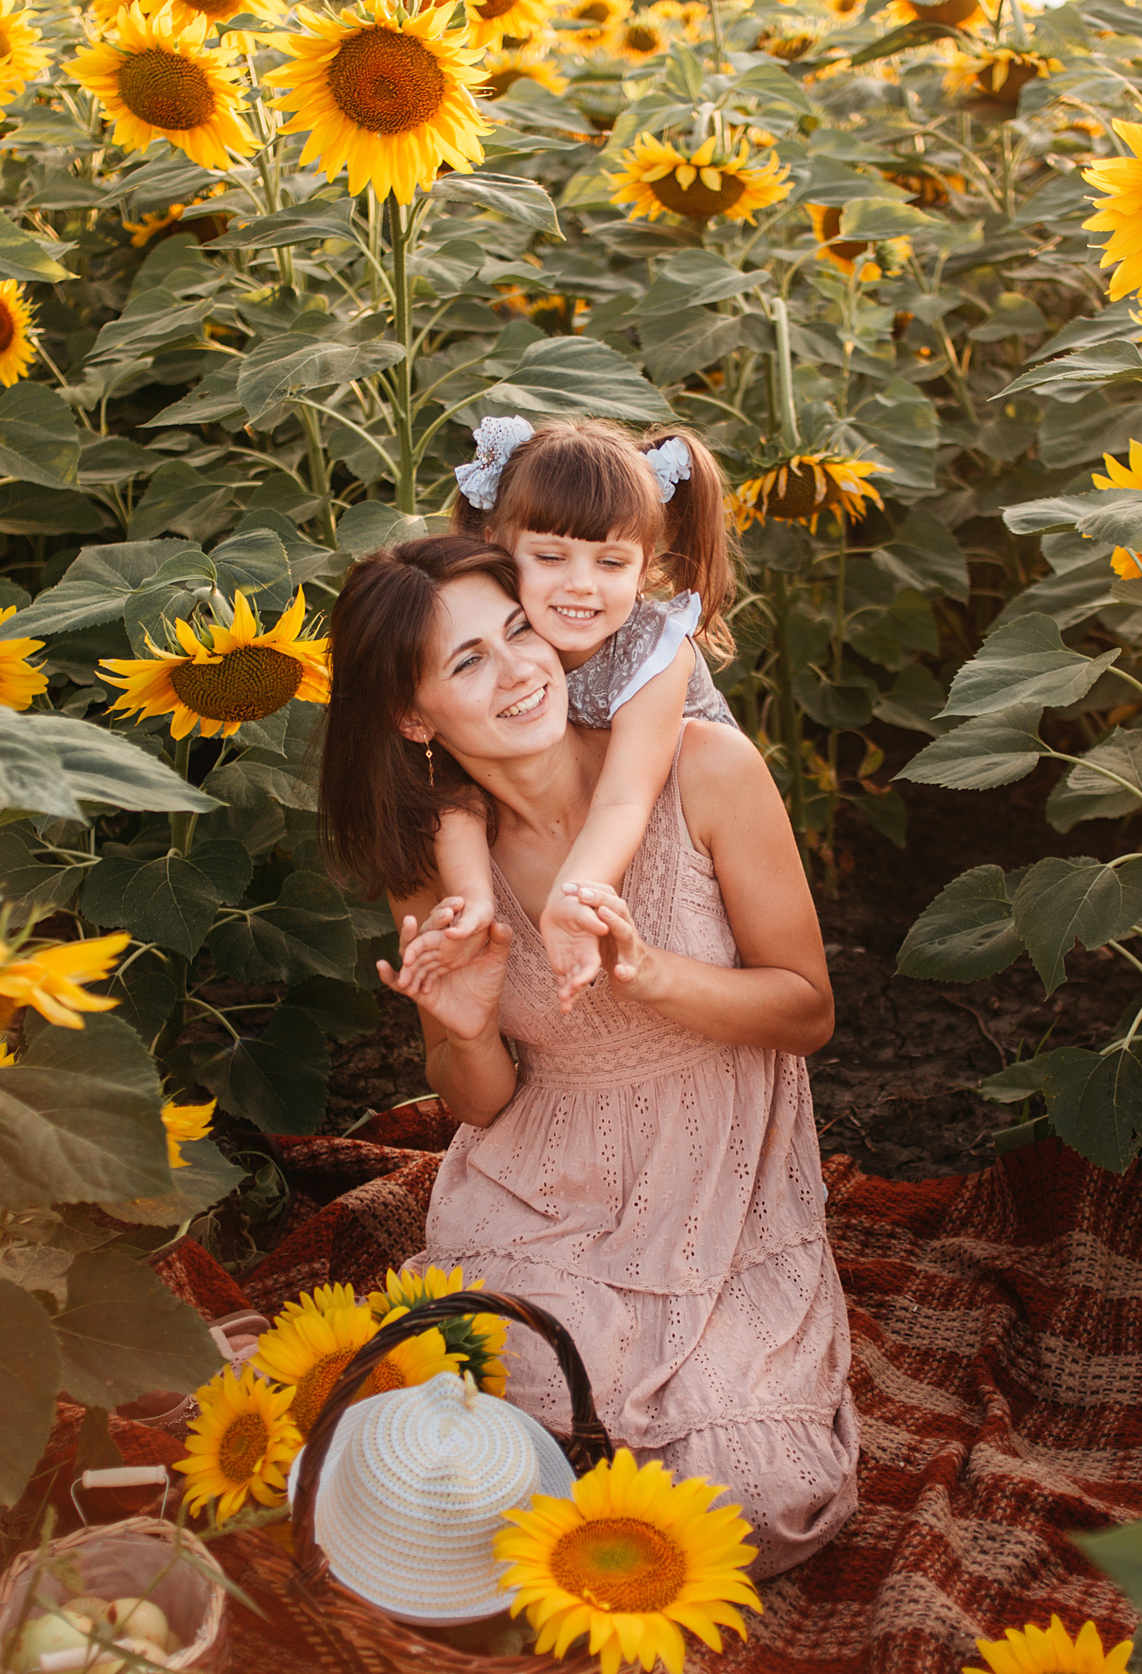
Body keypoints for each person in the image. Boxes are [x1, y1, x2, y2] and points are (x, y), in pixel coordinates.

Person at [317, 533, 858, 1580]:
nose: (518, 668)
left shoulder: (704, 770)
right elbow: (477, 1103)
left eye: (519, 629)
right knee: (458, 1473)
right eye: (468, 660)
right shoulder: (434, 862)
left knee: (756, 1504)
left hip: (720, 1185)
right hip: (542, 1192)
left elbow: (806, 1012)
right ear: (413, 716)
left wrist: (647, 972)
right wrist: (469, 1025)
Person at [433, 415, 739, 1009]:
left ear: (646, 565)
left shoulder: (655, 649)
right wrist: (473, 900)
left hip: (688, 827)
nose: (580, 585)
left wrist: (576, 891)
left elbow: (627, 795)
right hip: (585, 819)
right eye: (550, 556)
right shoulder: (504, 636)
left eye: (611, 563)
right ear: (496, 544)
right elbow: (452, 786)